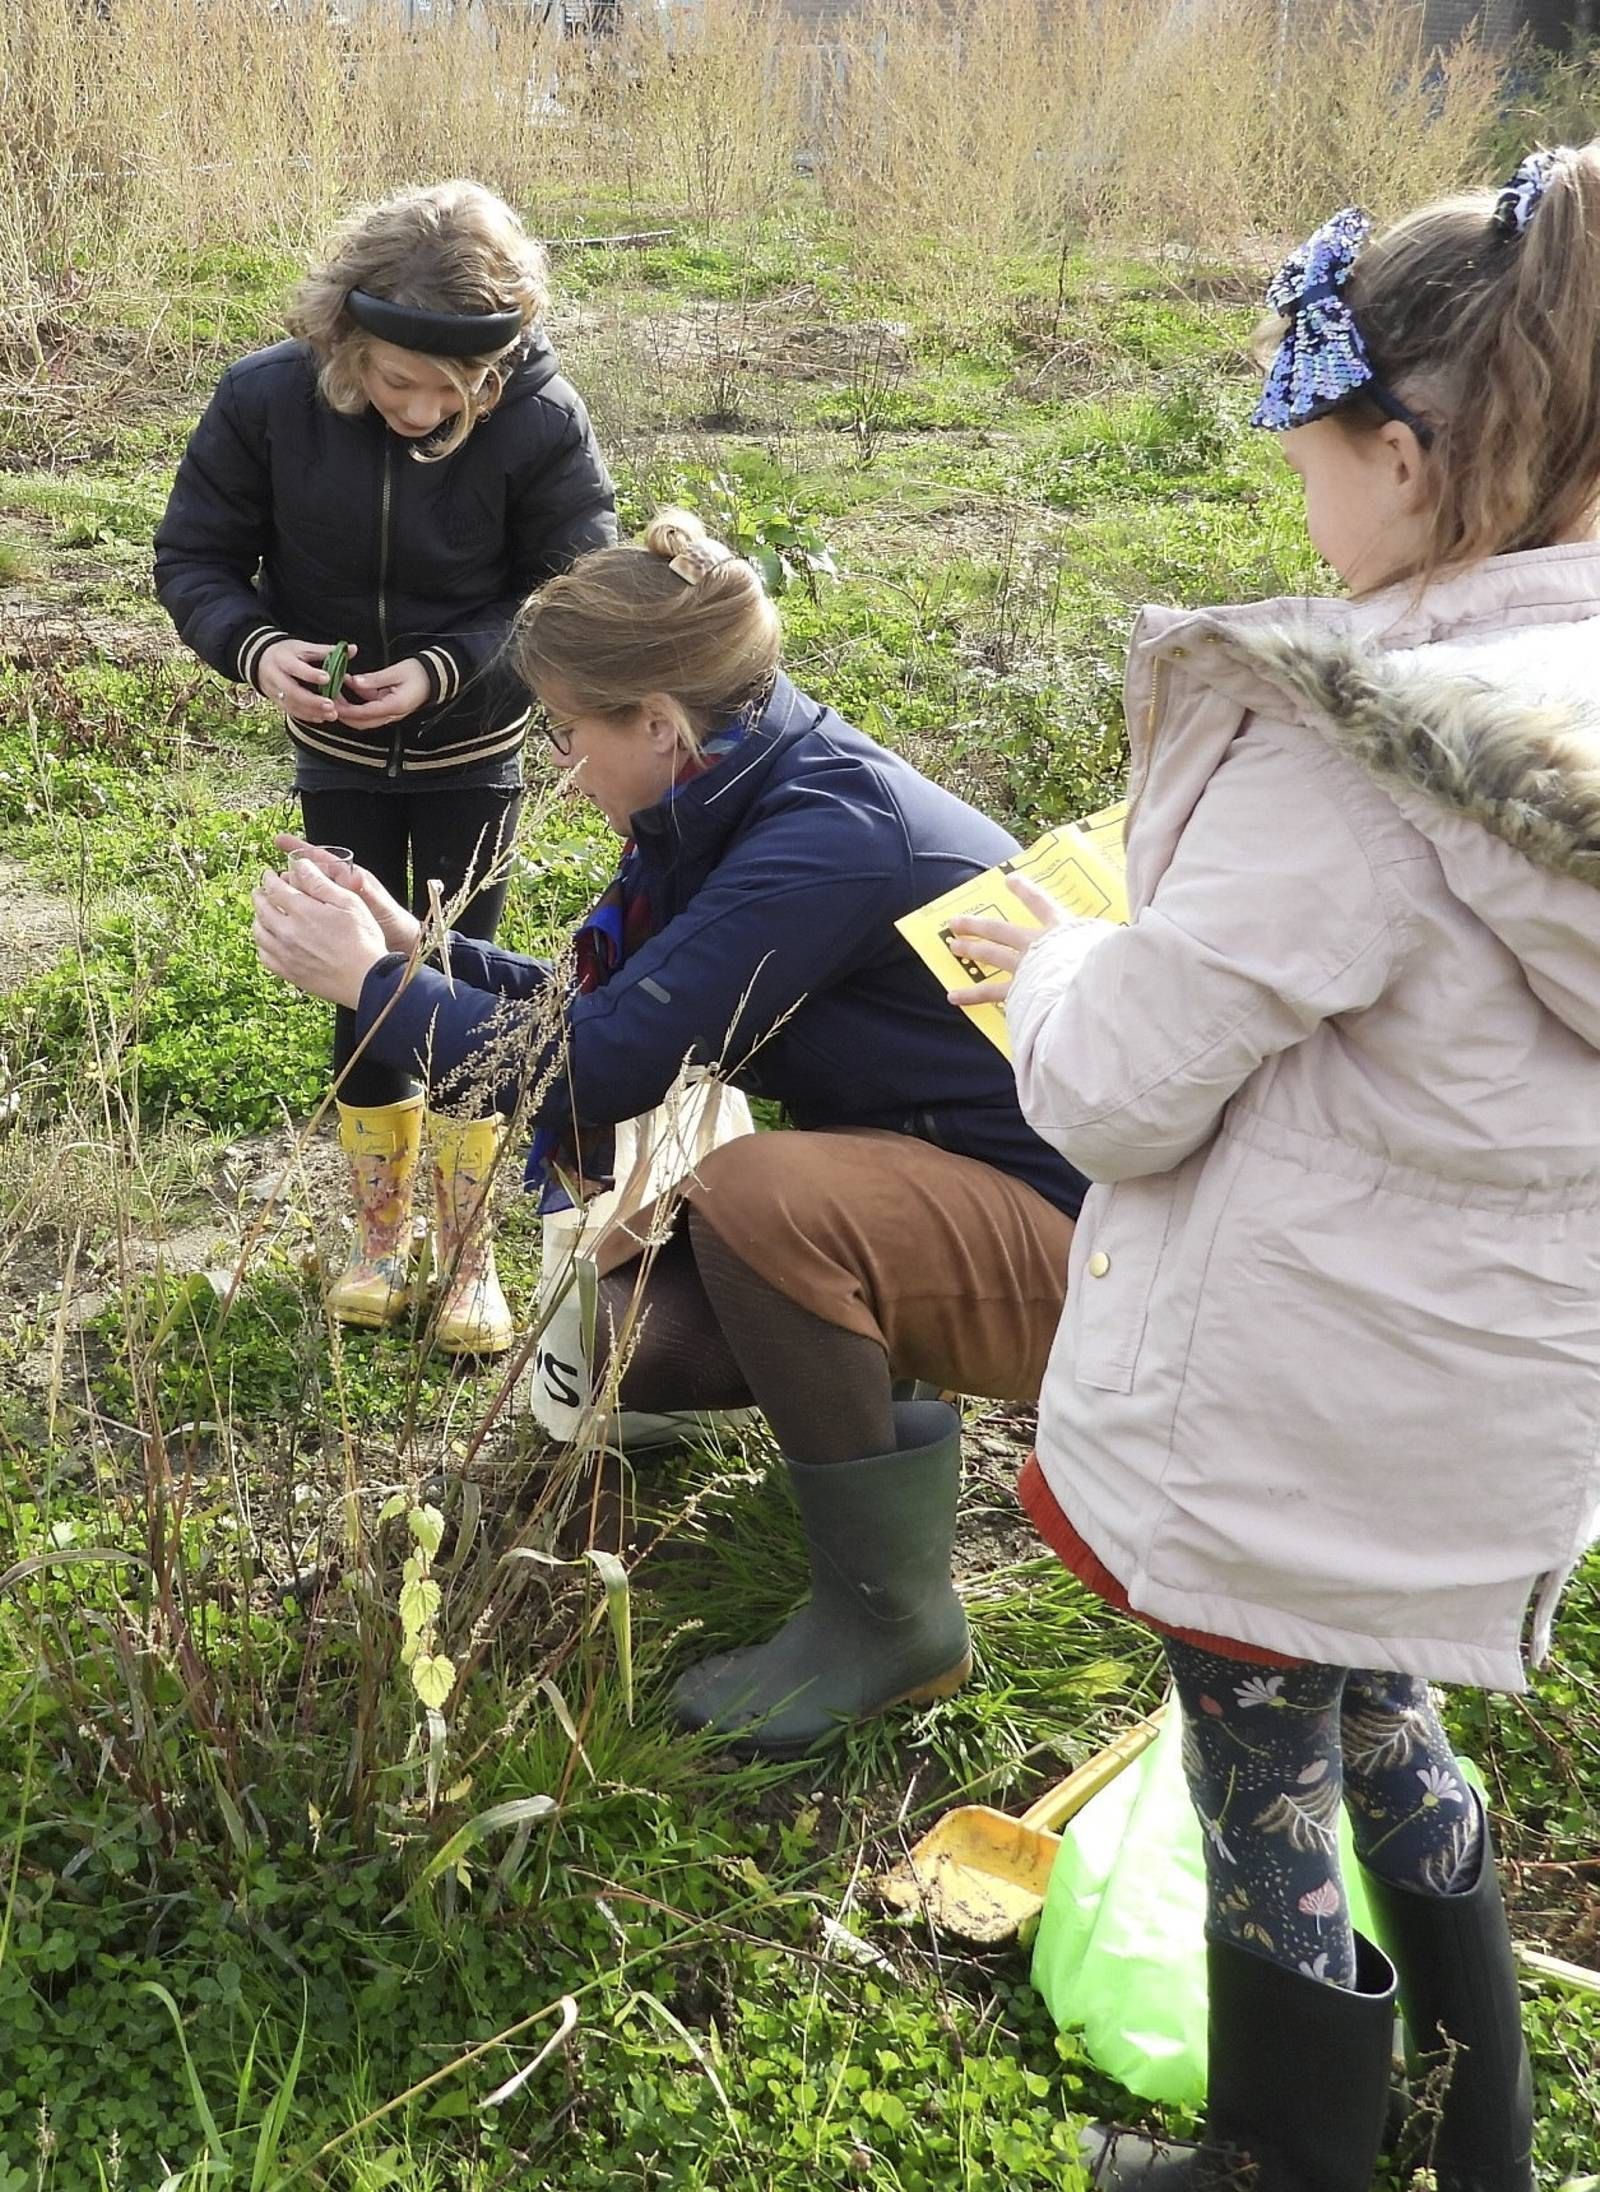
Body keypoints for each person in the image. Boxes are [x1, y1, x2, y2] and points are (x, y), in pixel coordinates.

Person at [948, 149, 1600, 2192]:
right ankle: (1478, 2125)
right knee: (1386, 1711)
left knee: (1254, 1760)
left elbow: (1124, 1093)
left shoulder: (1350, 742)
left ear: (1405, 453)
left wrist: (1057, 958)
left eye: (1303, 444)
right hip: (1483, 1397)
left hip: (1293, 1393)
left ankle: (1283, 2155)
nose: (1295, 498)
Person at [251, 508, 1089, 1755]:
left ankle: (892, 1619)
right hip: (963, 1177)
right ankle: (881, 1463)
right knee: (647, 1342)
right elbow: (620, 1007)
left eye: (569, 731)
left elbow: (595, 1071)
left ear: (658, 720)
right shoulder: (743, 786)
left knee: (763, 1193)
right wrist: (421, 954)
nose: (562, 764)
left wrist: (375, 994)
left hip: (1101, 1247)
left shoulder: (826, 836)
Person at [155, 179, 617, 1354]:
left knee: (456, 974)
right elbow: (196, 554)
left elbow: (569, 592)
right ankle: (380, 1236)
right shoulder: (265, 401)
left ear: (497, 369)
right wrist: (257, 651)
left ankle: (468, 1252)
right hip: (335, 758)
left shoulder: (542, 419)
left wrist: (448, 672)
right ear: (341, 341)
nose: (417, 409)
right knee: (357, 983)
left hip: (474, 754)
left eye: (449, 393)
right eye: (391, 380)